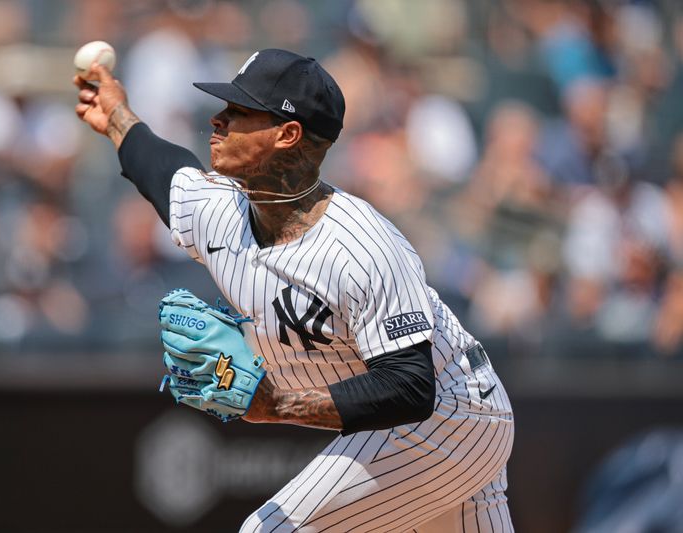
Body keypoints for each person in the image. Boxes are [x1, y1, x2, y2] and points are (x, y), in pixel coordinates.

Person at [74, 49, 514, 532]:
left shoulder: (362, 248)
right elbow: (159, 166)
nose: (218, 120)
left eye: (239, 113)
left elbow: (409, 386)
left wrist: (278, 406)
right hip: (438, 424)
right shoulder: (217, 212)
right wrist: (116, 113)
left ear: (287, 134)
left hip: (446, 419)